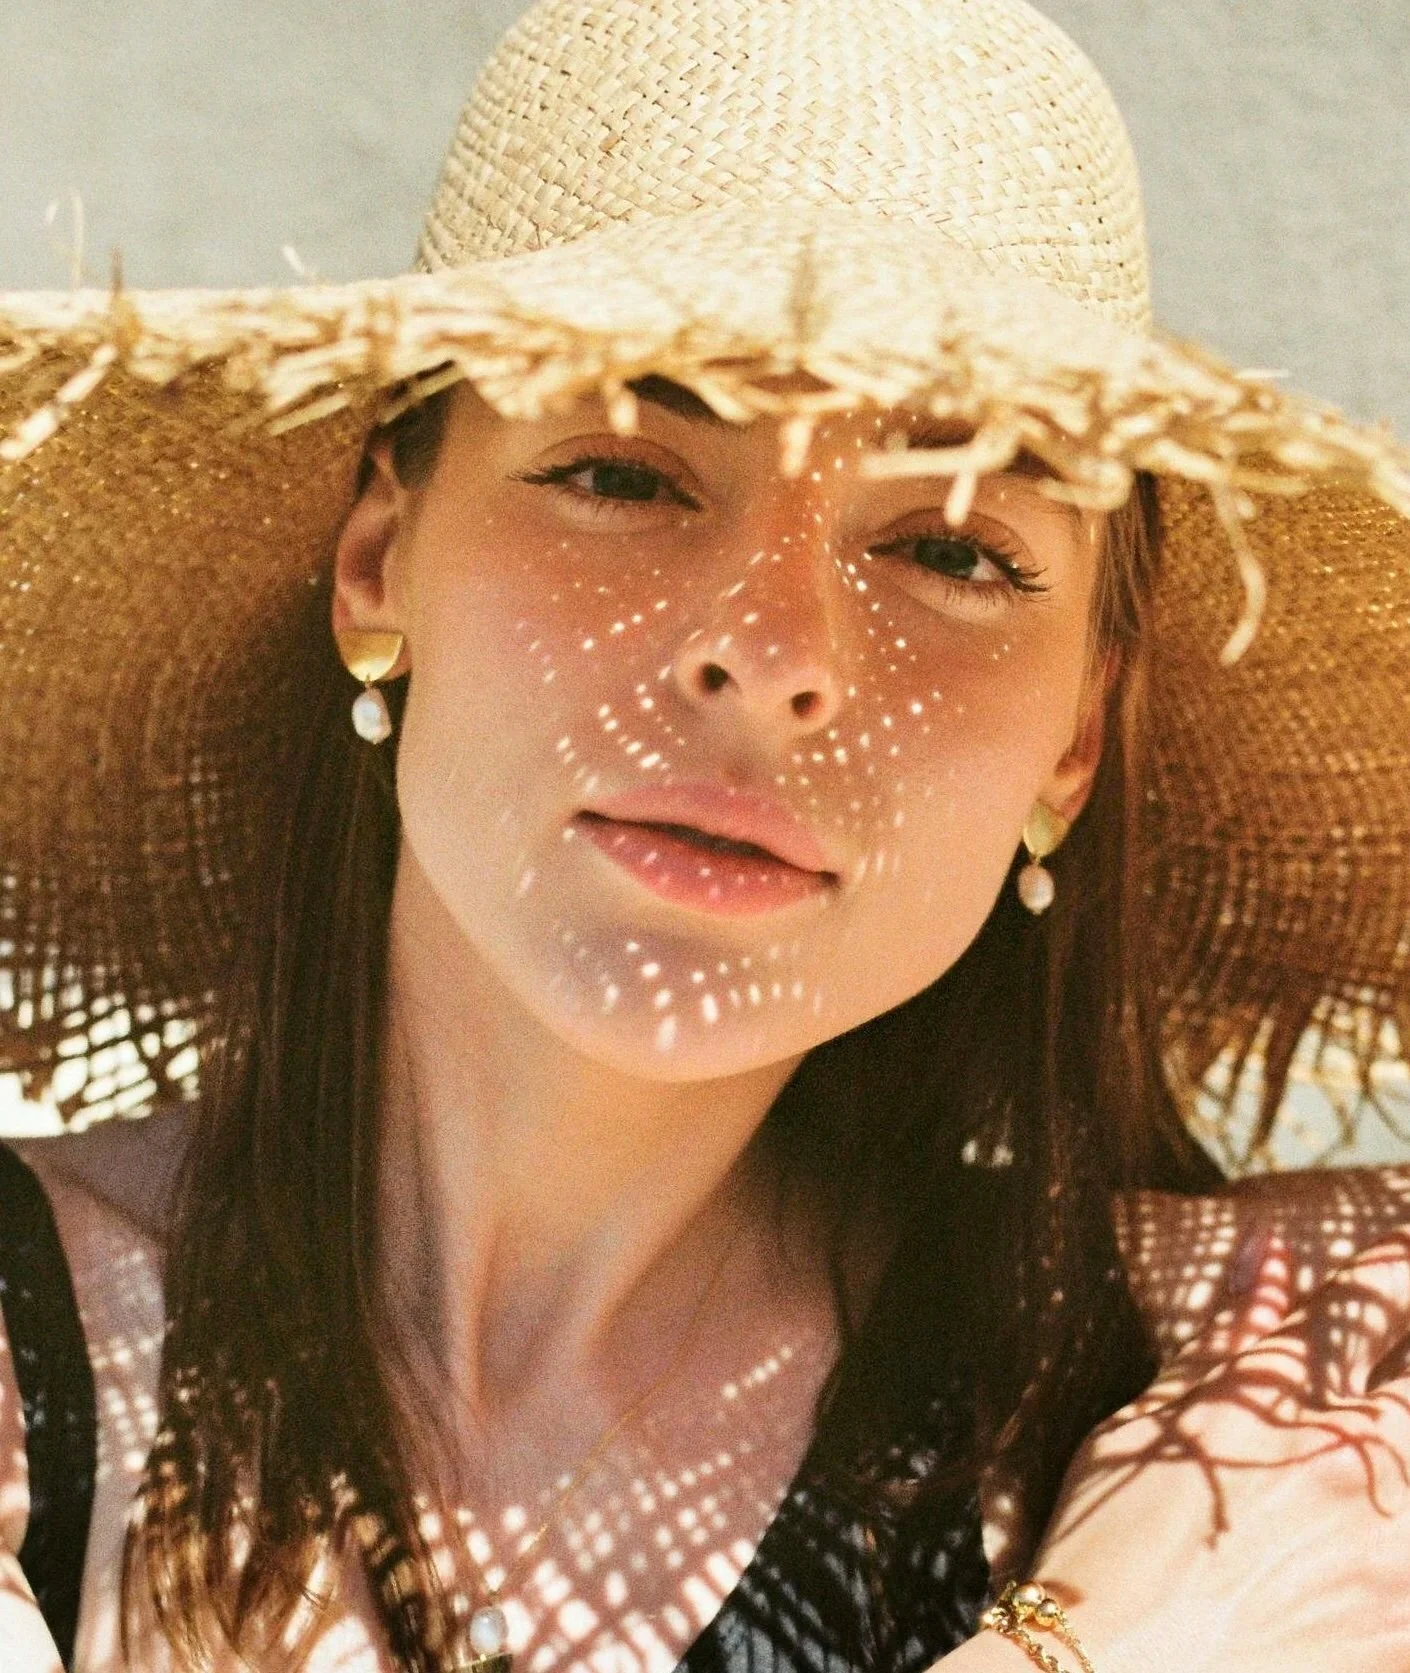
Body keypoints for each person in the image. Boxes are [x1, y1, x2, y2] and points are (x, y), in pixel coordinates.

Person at [1, 0, 1408, 1669]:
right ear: (379, 561)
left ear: (1074, 742)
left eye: (951, 554)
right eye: (625, 475)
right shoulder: (37, 1348)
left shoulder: (1270, 1383)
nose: (773, 652)